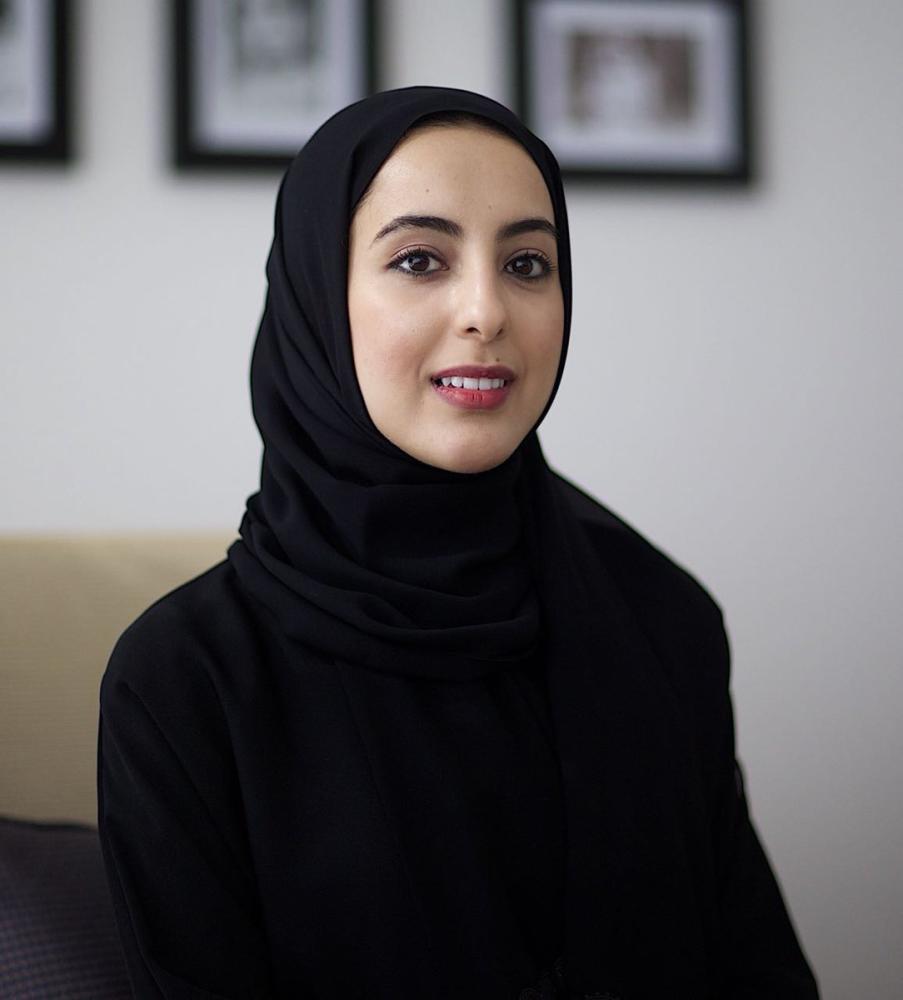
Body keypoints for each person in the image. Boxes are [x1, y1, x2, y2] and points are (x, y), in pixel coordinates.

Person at [97, 86, 819, 1000]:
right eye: (419, 259)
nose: (487, 310)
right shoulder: (185, 678)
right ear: (316, 299)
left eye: (526, 264)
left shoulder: (658, 615)